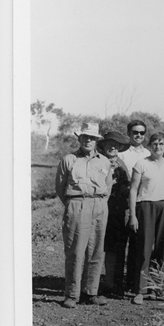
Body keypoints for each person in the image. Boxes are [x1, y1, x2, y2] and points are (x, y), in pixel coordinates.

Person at [55, 123, 114, 308]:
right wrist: (74, 204)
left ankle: (91, 292)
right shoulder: (69, 159)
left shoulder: (104, 161)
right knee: (75, 250)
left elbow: (108, 185)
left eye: (92, 138)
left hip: (99, 205)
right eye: (85, 137)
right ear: (79, 138)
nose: (89, 140)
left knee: (96, 250)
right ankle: (72, 294)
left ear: (97, 141)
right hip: (77, 204)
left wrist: (100, 203)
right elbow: (60, 186)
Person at [128, 132, 164, 305]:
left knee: (163, 249)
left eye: (161, 144)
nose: (158, 147)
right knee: (145, 248)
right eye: (155, 144)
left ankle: (159, 288)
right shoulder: (142, 164)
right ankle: (141, 290)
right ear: (150, 145)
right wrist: (133, 215)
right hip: (146, 207)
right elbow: (133, 190)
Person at [98, 130, 132, 296]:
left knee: (115, 248)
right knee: (97, 247)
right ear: (103, 146)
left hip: (117, 212)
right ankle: (93, 283)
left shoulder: (121, 164)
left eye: (116, 144)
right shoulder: (98, 162)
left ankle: (113, 284)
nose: (112, 147)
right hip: (99, 209)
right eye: (109, 144)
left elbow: (127, 188)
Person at [119, 119, 149, 292]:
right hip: (123, 202)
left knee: (138, 243)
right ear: (129, 133)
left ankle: (133, 282)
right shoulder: (123, 154)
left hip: (142, 202)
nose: (138, 135)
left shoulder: (148, 153)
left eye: (142, 133)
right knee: (122, 242)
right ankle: (117, 282)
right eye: (135, 132)